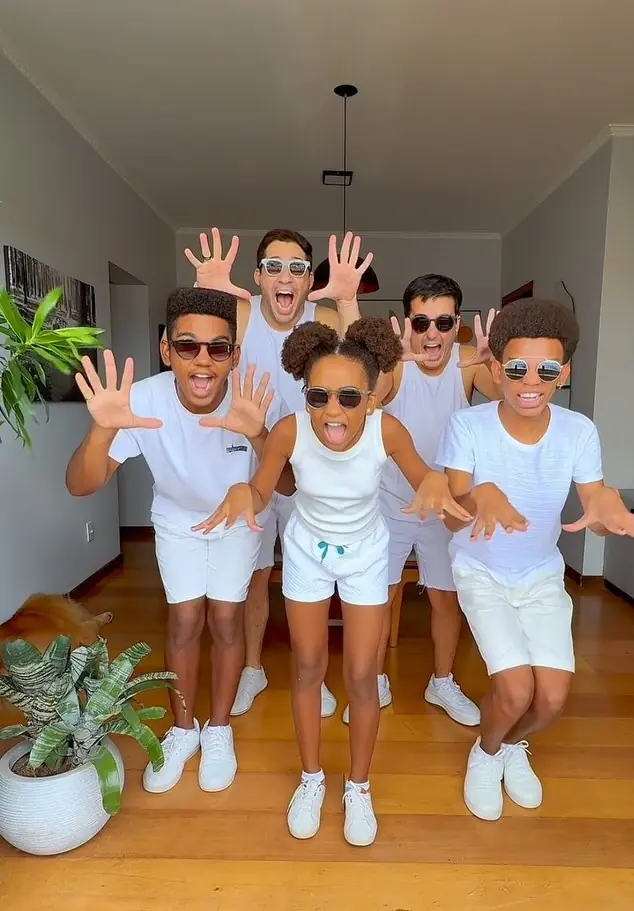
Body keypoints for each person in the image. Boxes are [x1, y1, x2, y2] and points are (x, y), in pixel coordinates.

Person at [195, 317, 471, 846]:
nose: (333, 411)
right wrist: (242, 493)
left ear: (372, 398)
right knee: (307, 668)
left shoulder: (387, 431)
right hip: (307, 554)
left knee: (363, 677)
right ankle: (311, 778)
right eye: (318, 396)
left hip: (366, 555)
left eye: (349, 397)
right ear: (305, 394)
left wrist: (437, 484)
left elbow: (424, 477)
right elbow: (263, 491)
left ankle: (358, 787)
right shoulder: (289, 430)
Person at [435, 298, 634, 821]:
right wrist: (478, 497)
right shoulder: (468, 426)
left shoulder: (578, 431)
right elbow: (450, 517)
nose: (530, 382)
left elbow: (594, 502)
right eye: (517, 368)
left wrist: (606, 511)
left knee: (553, 699)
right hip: (481, 571)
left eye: (546, 369)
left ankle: (511, 745)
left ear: (565, 373)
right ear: (497, 368)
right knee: (515, 690)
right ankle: (486, 752)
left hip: (540, 574)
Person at [66, 288, 289, 794]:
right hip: (175, 519)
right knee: (185, 619)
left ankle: (219, 730)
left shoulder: (252, 398)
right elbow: (80, 484)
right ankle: (184, 729)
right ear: (167, 350)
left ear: (234, 354)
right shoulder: (143, 400)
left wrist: (259, 435)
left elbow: (289, 484)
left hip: (238, 520)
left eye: (218, 348)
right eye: (188, 346)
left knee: (227, 618)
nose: (203, 360)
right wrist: (101, 430)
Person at [185, 228, 370, 718]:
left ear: (309, 281)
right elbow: (199, 344)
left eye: (296, 269)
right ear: (258, 276)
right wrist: (208, 294)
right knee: (256, 571)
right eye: (273, 267)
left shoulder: (323, 318)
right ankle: (253, 669)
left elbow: (365, 367)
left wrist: (347, 301)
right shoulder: (241, 314)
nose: (284, 277)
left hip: (312, 466)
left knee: (314, 574)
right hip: (251, 461)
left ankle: (314, 675)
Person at [341, 274, 502, 726]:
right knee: (379, 597)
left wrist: (496, 365)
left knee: (446, 600)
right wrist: (386, 363)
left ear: (457, 324)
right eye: (421, 322)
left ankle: (442, 681)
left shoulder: (470, 363)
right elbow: (361, 404)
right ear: (407, 322)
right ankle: (373, 683)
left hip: (447, 506)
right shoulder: (395, 365)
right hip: (390, 502)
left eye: (444, 322)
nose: (432, 334)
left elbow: (516, 401)